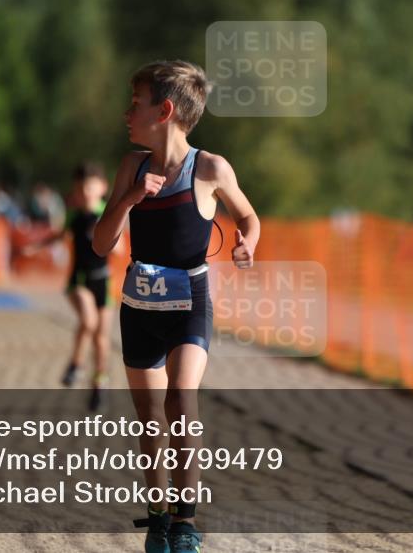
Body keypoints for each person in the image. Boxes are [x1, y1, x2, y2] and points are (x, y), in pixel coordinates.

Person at [92, 60, 260, 553]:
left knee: (180, 401)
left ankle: (186, 522)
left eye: (135, 103)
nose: (126, 113)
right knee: (148, 417)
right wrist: (126, 201)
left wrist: (247, 242)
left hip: (190, 300)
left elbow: (248, 216)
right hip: (139, 304)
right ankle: (160, 516)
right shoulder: (131, 167)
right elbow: (102, 243)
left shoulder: (210, 168)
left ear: (164, 111)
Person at [25, 164, 121, 411]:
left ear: (102, 188)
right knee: (88, 322)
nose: (84, 192)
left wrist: (111, 241)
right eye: (79, 189)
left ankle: (100, 385)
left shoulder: (108, 213)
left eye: (89, 187)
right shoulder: (74, 216)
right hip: (79, 280)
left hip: (104, 280)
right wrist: (38, 246)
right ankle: (76, 364)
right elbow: (60, 235)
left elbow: (118, 245)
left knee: (101, 339)